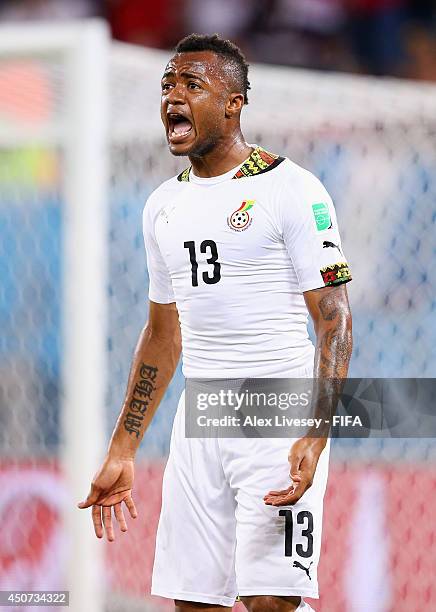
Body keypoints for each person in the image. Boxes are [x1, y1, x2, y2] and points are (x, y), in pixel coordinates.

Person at [78, 33, 353, 612]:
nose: (173, 97)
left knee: (272, 602)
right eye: (167, 86)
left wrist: (316, 432)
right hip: (200, 422)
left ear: (233, 103)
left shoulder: (292, 189)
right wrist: (124, 448)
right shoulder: (162, 207)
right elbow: (162, 334)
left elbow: (334, 320)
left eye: (191, 85)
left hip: (276, 416)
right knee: (193, 603)